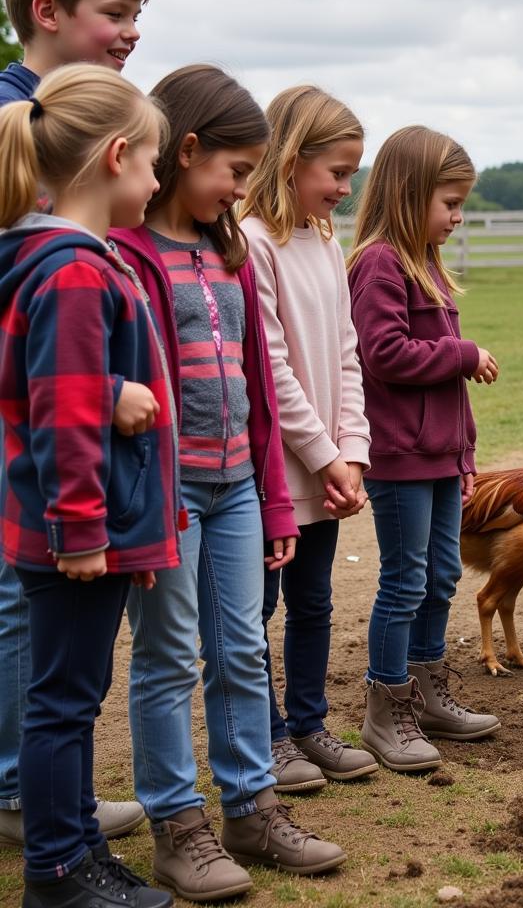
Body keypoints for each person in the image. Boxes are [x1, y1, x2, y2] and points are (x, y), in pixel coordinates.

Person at [111, 65, 346, 903]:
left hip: (239, 487)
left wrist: (276, 497)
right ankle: (177, 825)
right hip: (165, 495)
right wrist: (144, 502)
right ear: (186, 152)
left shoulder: (230, 252)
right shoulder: (125, 253)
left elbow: (252, 377)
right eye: (235, 173)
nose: (240, 191)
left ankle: (252, 806)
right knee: (170, 656)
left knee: (243, 646)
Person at [0, 64, 176, 908]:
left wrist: (131, 530)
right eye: (151, 162)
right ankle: (58, 877)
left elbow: (68, 386)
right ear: (114, 157)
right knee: (62, 707)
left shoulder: (76, 260)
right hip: (75, 533)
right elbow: (63, 411)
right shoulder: (71, 269)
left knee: (72, 700)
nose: (156, 179)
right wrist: (84, 534)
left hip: (99, 526)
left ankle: (79, 853)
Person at [346, 124, 502, 773]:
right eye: (450, 203)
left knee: (440, 575)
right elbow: (382, 354)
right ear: (410, 196)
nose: (458, 217)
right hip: (402, 460)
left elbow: (447, 397)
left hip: (438, 459)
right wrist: (462, 354)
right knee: (405, 579)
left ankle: (428, 690)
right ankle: (387, 708)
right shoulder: (379, 263)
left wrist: (464, 457)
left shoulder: (425, 264)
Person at [238, 85, 378, 793]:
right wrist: (324, 455)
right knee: (259, 611)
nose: (347, 189)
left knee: (316, 602)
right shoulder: (253, 244)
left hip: (328, 472)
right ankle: (265, 740)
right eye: (338, 172)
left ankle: (308, 725)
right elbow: (272, 368)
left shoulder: (326, 242)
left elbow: (347, 354)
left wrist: (351, 454)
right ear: (292, 160)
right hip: (276, 474)